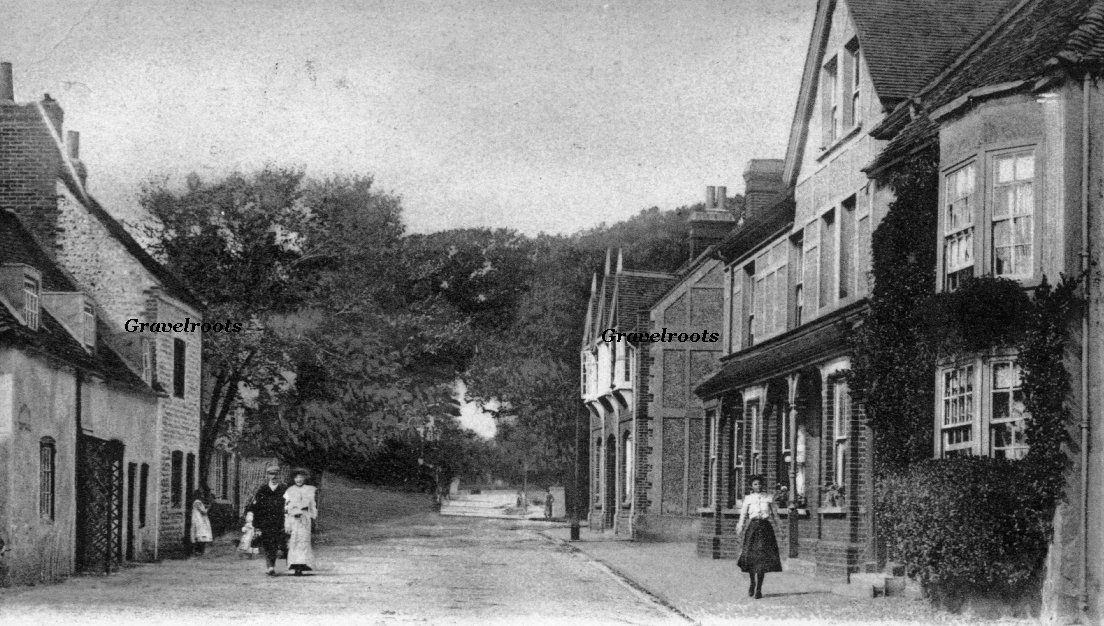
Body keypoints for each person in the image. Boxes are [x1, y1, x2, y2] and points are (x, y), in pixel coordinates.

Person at [735, 474, 783, 599]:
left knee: (762, 558)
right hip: (753, 528)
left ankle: (759, 589)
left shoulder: (768, 498)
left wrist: (780, 528)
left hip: (765, 528)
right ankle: (752, 582)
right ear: (751, 486)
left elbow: (775, 514)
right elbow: (743, 515)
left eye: (760, 483)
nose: (758, 486)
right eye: (755, 484)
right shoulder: (748, 499)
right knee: (751, 558)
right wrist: (740, 528)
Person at [245, 464, 288, 576]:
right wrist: (256, 524)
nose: (274, 477)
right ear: (268, 476)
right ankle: (270, 566)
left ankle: (274, 564)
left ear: (279, 475)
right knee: (267, 543)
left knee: (276, 543)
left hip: (279, 521)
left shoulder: (284, 489)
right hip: (265, 521)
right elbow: (256, 507)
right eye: (271, 474)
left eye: (276, 474)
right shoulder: (263, 489)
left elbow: (288, 505)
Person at [283, 468, 318, 576]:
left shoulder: (310, 489)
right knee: (294, 541)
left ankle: (303, 564)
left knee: (304, 540)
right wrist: (287, 521)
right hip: (293, 518)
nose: (299, 479)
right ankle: (295, 565)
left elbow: (312, 504)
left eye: (301, 477)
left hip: (305, 518)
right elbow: (286, 507)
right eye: (296, 477)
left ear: (305, 478)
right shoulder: (289, 490)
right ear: (293, 479)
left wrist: (313, 517)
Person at [190, 488, 213, 556]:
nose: (202, 496)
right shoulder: (198, 502)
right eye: (201, 494)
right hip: (199, 519)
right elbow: (204, 511)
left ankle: (197, 550)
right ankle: (198, 551)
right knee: (200, 533)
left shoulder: (197, 502)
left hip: (197, 518)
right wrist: (209, 506)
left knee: (197, 534)